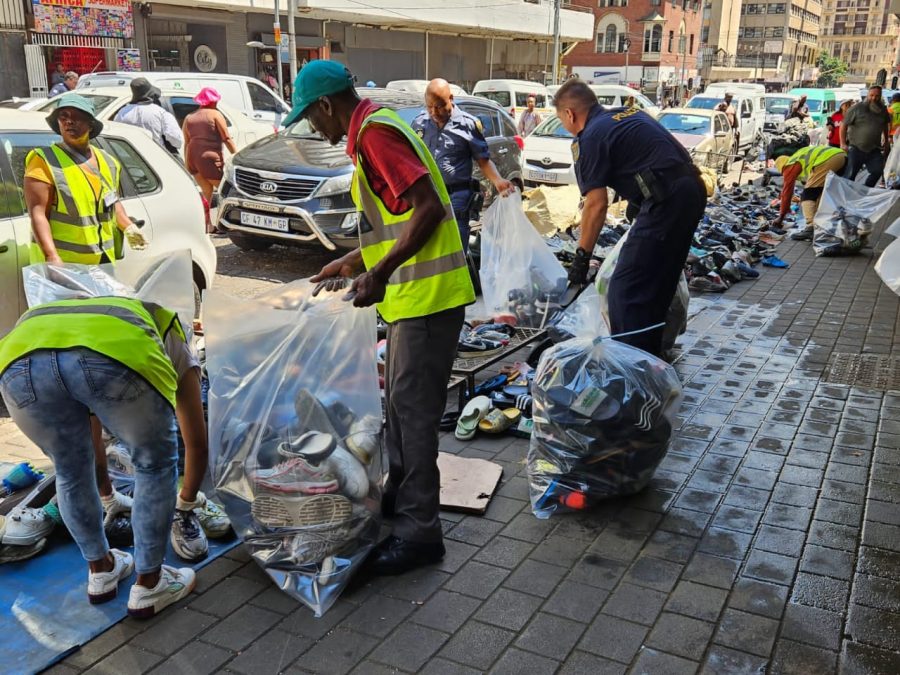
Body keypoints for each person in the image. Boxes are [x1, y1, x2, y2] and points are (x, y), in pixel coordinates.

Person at [292, 60, 475, 575]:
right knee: (398, 409)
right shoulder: (376, 129)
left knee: (413, 418)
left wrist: (379, 273)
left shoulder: (375, 135)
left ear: (328, 104)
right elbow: (393, 221)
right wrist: (352, 261)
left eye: (311, 116)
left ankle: (420, 534)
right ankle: (399, 497)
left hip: (429, 300)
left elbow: (428, 209)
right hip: (413, 303)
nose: (313, 128)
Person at [0, 297, 198, 617]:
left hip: (18, 363)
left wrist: (107, 490)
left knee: (68, 469)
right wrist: (186, 502)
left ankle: (101, 570)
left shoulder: (81, 311)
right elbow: (196, 440)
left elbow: (89, 424)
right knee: (154, 465)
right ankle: (150, 584)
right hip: (116, 358)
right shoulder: (170, 327)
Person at [556, 79, 706, 357]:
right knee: (657, 286)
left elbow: (596, 204)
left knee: (625, 290)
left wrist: (581, 259)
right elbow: (652, 155)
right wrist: (639, 200)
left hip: (667, 202)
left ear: (569, 114)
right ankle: (652, 362)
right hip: (690, 191)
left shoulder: (589, 137)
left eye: (562, 121)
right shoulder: (625, 114)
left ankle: (631, 370)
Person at [24, 94, 148, 265]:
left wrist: (128, 226)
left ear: (90, 125)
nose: (69, 121)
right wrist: (52, 257)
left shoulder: (108, 162)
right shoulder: (44, 161)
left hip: (103, 261)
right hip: (65, 265)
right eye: (63, 117)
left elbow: (112, 202)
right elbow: (38, 214)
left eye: (76, 117)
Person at [412, 78, 514, 252]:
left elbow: (483, 160)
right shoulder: (419, 123)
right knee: (426, 248)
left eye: (439, 106)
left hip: (456, 198)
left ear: (451, 98)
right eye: (429, 107)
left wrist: (498, 181)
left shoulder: (468, 125)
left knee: (456, 250)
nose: (434, 112)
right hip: (427, 196)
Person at [771, 146, 847, 239]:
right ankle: (826, 224)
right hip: (841, 156)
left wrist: (781, 217)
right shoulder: (796, 157)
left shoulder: (789, 166)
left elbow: (787, 192)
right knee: (820, 194)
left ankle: (810, 228)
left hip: (827, 159)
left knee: (808, 195)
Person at [182, 87, 237, 216]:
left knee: (206, 193)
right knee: (226, 190)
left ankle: (207, 225)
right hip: (210, 160)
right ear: (212, 102)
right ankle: (226, 220)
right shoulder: (215, 114)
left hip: (193, 159)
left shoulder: (189, 117)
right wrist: (236, 155)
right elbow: (226, 138)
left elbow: (187, 142)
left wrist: (187, 164)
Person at [114, 78, 183, 155]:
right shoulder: (160, 113)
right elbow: (176, 139)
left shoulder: (122, 113)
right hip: (156, 158)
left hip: (129, 159)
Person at [841, 85, 892, 188]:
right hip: (856, 148)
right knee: (850, 175)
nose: (873, 98)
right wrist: (842, 143)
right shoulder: (857, 108)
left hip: (874, 149)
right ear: (868, 95)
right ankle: (844, 197)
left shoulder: (883, 110)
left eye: (877, 96)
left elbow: (885, 126)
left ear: (880, 96)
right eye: (871, 95)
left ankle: (863, 190)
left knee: (878, 171)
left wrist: (886, 141)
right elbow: (843, 125)